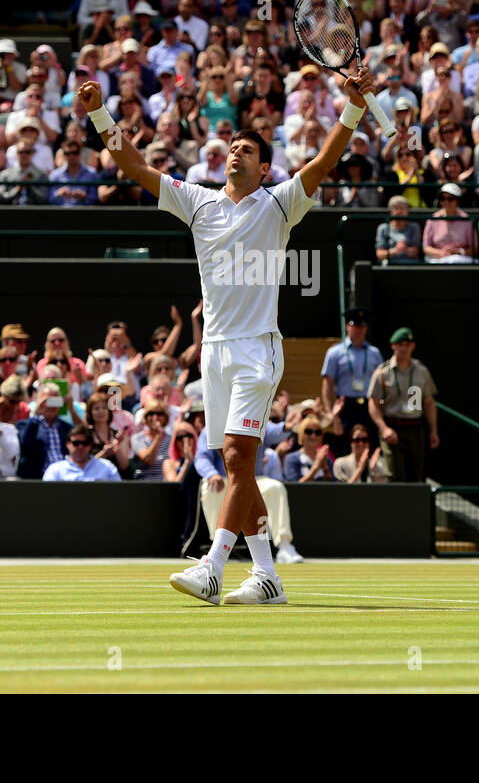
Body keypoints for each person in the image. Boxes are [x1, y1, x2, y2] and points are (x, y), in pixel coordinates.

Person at [76, 61, 374, 605]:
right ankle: (267, 576)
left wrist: (353, 106)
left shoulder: (280, 204)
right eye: (232, 147)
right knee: (240, 468)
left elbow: (327, 159)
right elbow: (133, 163)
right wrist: (99, 112)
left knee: (238, 457)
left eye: (248, 151)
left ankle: (212, 566)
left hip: (257, 350)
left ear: (264, 170)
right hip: (213, 353)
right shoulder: (198, 202)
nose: (235, 152)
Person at [193, 426, 304, 565]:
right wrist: (212, 474)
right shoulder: (213, 424)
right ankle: (218, 547)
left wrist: (287, 425)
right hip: (223, 479)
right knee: (211, 488)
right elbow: (201, 457)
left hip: (254, 478)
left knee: (275, 487)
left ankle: (284, 545)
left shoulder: (254, 417)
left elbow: (276, 432)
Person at [367, 327, 440, 483]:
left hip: (415, 427)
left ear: (413, 347)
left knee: (416, 475)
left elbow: (429, 402)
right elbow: (373, 403)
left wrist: (434, 430)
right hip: (392, 426)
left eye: (408, 344)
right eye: (400, 344)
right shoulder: (383, 372)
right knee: (395, 474)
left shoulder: (422, 371)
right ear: (393, 346)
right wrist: (383, 428)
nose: (404, 348)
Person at [320, 307, 382, 451]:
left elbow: (381, 383)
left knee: (371, 445)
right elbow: (327, 385)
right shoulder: (335, 352)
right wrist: (330, 412)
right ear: (348, 326)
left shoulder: (374, 353)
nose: (359, 329)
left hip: (369, 405)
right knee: (345, 446)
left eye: (362, 326)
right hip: (345, 406)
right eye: (355, 325)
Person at [15, 378, 73, 478]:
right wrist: (36, 414)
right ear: (39, 402)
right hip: (39, 479)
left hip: (65, 477)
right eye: (47, 401)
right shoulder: (25, 425)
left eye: (55, 401)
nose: (51, 406)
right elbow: (25, 447)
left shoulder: (67, 428)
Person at [43, 424, 121, 481]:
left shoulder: (107, 467)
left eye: (85, 443)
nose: (80, 447)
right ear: (68, 444)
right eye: (76, 443)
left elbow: (118, 493)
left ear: (90, 444)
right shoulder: (55, 470)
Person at [375, 196, 422, 262]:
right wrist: (395, 250)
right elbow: (379, 254)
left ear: (407, 211)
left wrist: (404, 249)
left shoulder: (414, 227)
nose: (399, 211)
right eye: (396, 208)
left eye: (402, 208)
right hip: (389, 268)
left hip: (411, 267)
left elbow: (415, 252)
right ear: (390, 211)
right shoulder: (383, 228)